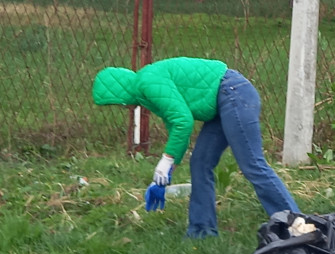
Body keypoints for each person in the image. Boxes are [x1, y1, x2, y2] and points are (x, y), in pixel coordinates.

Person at [92, 57, 300, 238]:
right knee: (200, 163)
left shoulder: (147, 83)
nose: (123, 108)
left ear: (120, 92)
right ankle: (202, 232)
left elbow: (183, 121)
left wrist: (166, 160)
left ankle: (298, 227)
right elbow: (175, 125)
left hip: (233, 93)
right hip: (222, 99)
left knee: (252, 164)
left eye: (116, 103)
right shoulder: (146, 87)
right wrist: (168, 170)